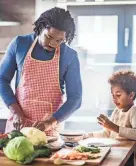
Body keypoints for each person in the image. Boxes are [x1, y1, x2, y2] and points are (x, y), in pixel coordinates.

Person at [0, 7, 82, 136]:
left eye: (59, 41)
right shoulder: (19, 44)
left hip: (49, 130)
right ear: (40, 28)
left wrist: (50, 122)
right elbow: (2, 79)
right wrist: (16, 112)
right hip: (18, 124)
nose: (53, 44)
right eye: (49, 37)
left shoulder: (69, 56)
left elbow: (75, 98)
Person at [85, 70, 136, 166]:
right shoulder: (116, 111)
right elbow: (107, 133)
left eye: (118, 95)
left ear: (131, 95)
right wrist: (88, 135)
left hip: (127, 159)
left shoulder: (135, 111)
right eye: (113, 95)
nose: (114, 98)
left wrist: (114, 127)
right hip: (114, 153)